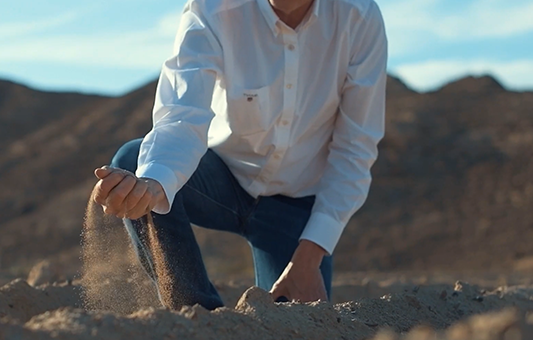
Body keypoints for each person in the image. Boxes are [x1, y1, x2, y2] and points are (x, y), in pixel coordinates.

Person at [92, 0, 387, 310]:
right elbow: (182, 113)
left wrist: (309, 257)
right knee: (136, 165)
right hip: (222, 179)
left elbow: (355, 147)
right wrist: (153, 183)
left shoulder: (358, 17)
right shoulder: (212, 8)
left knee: (292, 319)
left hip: (295, 203)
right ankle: (200, 318)